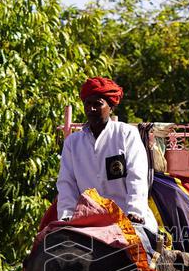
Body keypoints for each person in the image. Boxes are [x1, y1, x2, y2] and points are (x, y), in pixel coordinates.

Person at [55, 76, 157, 234]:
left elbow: (136, 177)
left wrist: (135, 212)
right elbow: (66, 183)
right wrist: (67, 216)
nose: (92, 109)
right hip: (85, 222)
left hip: (126, 220)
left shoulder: (126, 134)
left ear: (111, 106)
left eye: (98, 104)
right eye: (88, 104)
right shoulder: (73, 143)